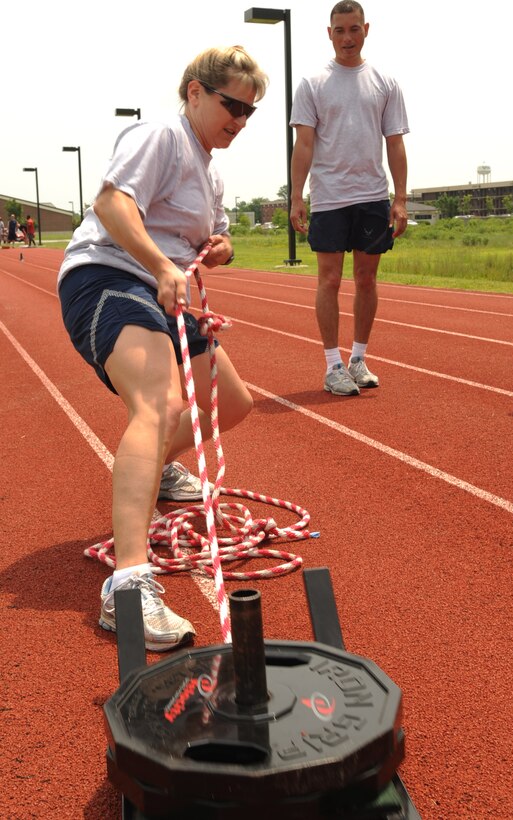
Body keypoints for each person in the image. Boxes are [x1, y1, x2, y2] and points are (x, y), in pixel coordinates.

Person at [57, 45, 268, 651]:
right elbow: (110, 203)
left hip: (164, 290)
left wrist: (218, 245)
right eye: (233, 104)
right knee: (161, 403)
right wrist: (158, 264)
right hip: (111, 276)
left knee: (232, 403)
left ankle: (153, 467)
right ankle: (127, 588)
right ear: (195, 92)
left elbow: (207, 232)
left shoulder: (211, 170)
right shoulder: (162, 136)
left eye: (250, 112)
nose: (241, 119)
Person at [290, 1, 409, 396]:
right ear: (329, 33)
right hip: (329, 198)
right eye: (339, 30)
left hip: (372, 196)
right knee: (329, 279)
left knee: (367, 278)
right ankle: (332, 365)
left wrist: (401, 198)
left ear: (366, 29)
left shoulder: (385, 83)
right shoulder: (313, 83)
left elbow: (395, 144)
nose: (347, 37)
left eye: (354, 29)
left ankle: (358, 359)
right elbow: (303, 145)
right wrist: (296, 196)